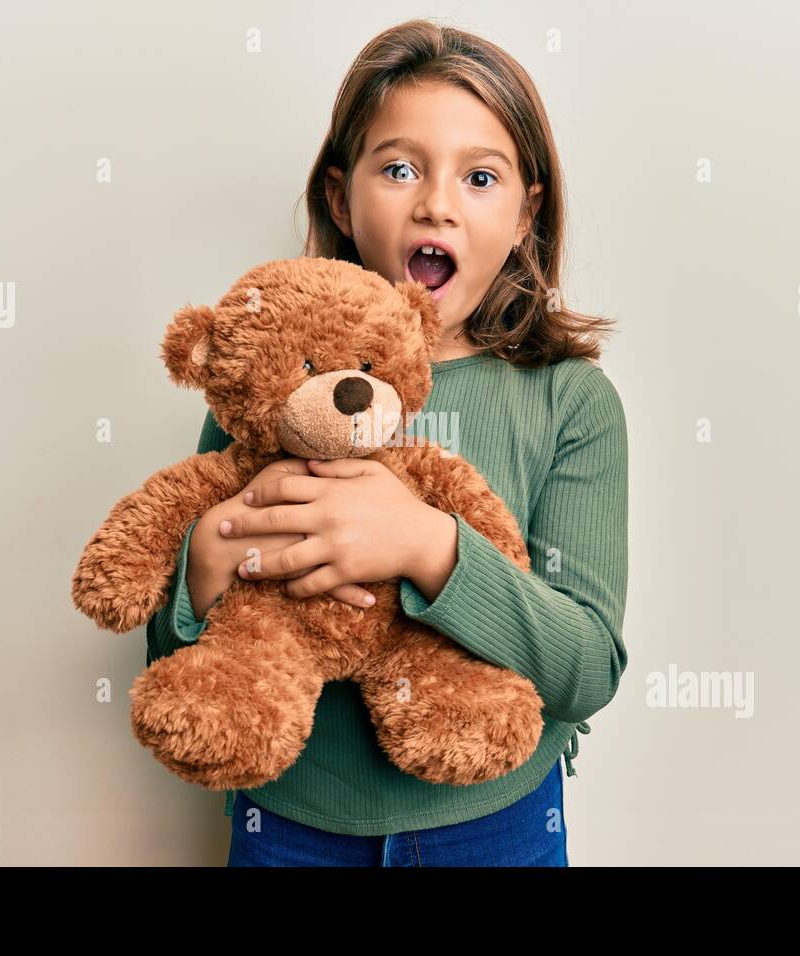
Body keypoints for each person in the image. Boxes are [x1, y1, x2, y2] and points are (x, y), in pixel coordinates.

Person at [146, 18, 628, 867]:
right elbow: (174, 648)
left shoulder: (569, 401)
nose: (436, 202)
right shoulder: (265, 391)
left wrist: (427, 545)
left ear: (526, 214)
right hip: (291, 824)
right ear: (340, 197)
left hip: (501, 824)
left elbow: (587, 668)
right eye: (400, 168)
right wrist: (211, 556)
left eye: (480, 177)